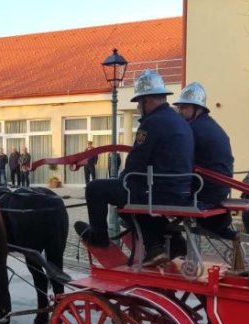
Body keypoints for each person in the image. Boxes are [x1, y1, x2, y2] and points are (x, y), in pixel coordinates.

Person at [75, 69, 194, 267]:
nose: (139, 108)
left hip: (158, 190)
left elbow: (136, 162)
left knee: (96, 188)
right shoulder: (178, 120)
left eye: (139, 103)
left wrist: (122, 180)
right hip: (180, 188)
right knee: (128, 198)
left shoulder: (152, 123)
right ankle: (171, 242)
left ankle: (100, 238)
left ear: (147, 100)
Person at [173, 81, 236, 240]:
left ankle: (165, 244)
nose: (180, 111)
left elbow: (180, 160)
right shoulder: (210, 125)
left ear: (198, 109)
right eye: (179, 107)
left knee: (156, 203)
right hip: (218, 189)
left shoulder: (192, 129)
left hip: (204, 191)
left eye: (184, 108)